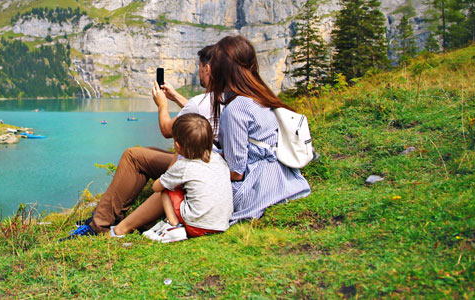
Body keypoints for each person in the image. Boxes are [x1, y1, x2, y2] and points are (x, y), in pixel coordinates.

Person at [63, 45, 216, 239]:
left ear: (208, 69)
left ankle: (99, 224)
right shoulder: (222, 97)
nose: (199, 72)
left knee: (133, 156)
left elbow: (168, 130)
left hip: (196, 166)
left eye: (199, 67)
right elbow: (198, 111)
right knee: (147, 152)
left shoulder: (203, 101)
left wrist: (162, 104)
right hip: (209, 163)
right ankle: (107, 216)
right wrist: (176, 96)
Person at [208, 35, 310, 222]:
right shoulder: (261, 97)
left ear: (220, 70)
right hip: (286, 180)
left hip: (257, 190)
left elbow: (236, 172)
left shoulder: (235, 110)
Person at [110, 114, 232, 242]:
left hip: (197, 226)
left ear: (178, 146)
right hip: (221, 224)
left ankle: (173, 225)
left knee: (166, 188)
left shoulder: (183, 166)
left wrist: (171, 167)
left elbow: (157, 186)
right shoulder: (218, 159)